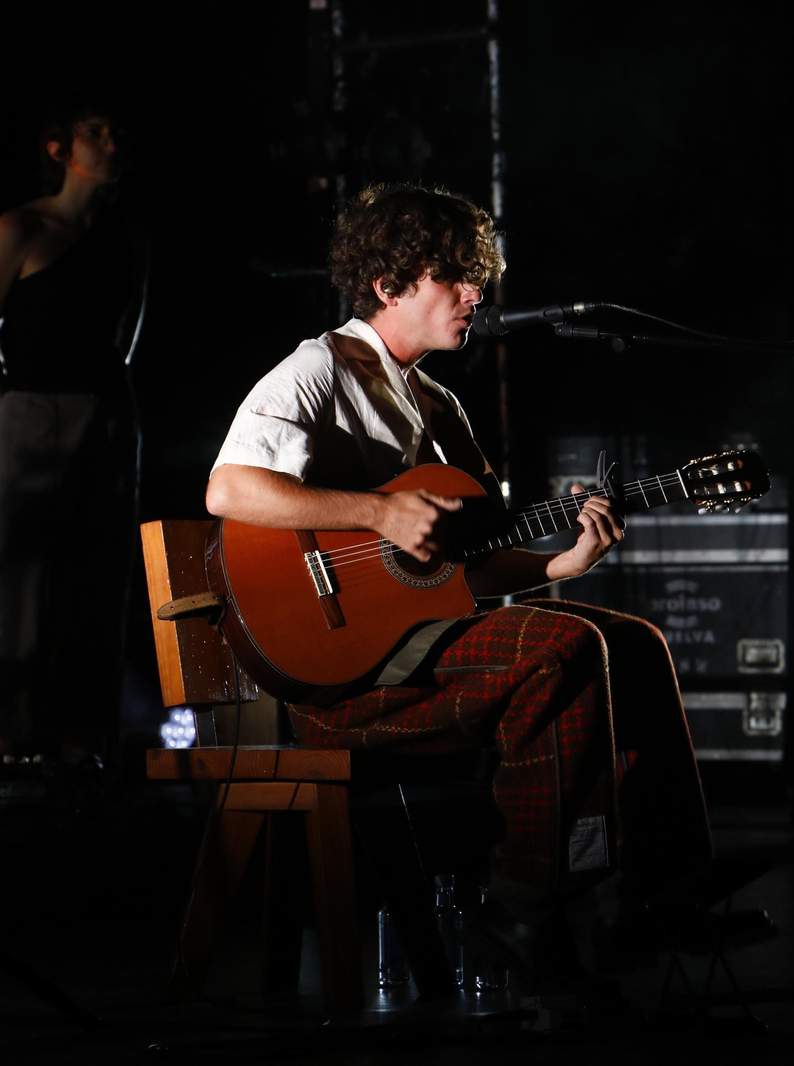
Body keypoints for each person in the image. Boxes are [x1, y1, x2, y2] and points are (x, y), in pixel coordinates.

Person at [206, 184, 722, 994]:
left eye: (477, 276)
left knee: (633, 641)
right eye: (454, 275)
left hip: (417, 653)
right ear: (389, 285)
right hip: (339, 675)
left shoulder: (440, 407)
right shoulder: (317, 369)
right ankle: (527, 907)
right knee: (564, 647)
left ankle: (665, 891)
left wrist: (560, 565)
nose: (477, 293)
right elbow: (230, 492)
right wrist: (376, 511)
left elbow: (468, 567)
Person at [0, 100, 146, 766]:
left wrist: (108, 416)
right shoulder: (21, 226)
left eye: (113, 130)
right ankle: (15, 739)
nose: (108, 139)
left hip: (109, 414)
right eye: (93, 131)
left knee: (105, 581)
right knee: (27, 584)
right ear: (58, 149)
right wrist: (12, 414)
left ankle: (82, 741)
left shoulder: (127, 237)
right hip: (33, 410)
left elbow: (125, 341)